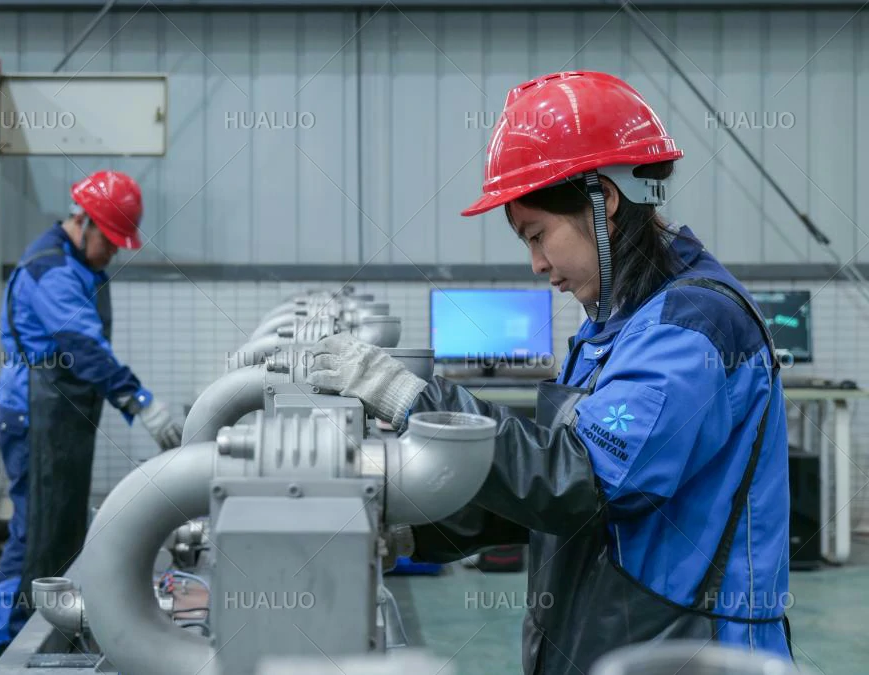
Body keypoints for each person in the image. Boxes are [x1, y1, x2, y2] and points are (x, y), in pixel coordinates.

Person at [307, 71, 792, 674]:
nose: (537, 264)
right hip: (610, 633)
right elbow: (545, 495)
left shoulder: (691, 326)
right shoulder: (615, 326)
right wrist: (423, 525)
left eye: (538, 235)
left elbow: (581, 481)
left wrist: (409, 396)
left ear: (604, 199)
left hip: (687, 649)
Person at [0, 170, 183, 670]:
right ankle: (0, 649)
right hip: (35, 412)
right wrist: (140, 401)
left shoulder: (79, 263)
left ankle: (53, 631)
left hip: (60, 411)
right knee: (33, 533)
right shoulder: (52, 270)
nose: (112, 252)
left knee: (62, 529)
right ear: (83, 221)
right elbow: (83, 345)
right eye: (108, 241)